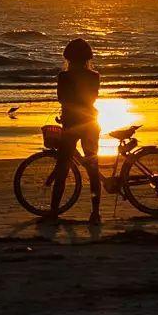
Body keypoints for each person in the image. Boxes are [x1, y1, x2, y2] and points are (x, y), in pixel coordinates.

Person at [44, 37, 103, 225]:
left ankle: (54, 212)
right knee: (93, 169)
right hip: (91, 123)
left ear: (68, 57)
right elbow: (91, 99)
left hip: (71, 125)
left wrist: (67, 114)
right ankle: (95, 213)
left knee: (62, 168)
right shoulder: (95, 76)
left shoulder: (64, 76)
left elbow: (62, 99)